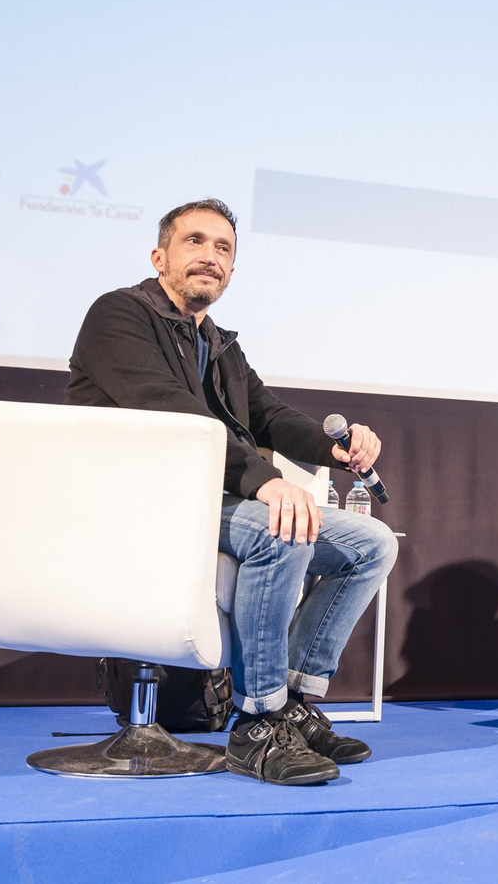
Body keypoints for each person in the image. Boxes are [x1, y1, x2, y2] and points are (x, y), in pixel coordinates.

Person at [66, 198, 399, 784]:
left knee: (372, 544)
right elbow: (172, 412)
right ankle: (257, 723)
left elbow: (268, 414)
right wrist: (266, 482)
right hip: (141, 503)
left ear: (232, 270)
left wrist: (335, 448)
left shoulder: (218, 343)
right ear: (159, 257)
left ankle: (291, 703)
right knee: (281, 527)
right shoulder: (118, 316)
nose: (210, 256)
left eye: (223, 248)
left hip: (203, 502)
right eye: (194, 241)